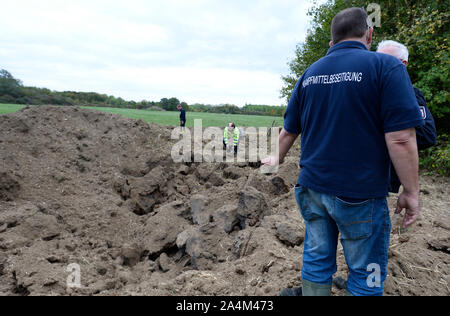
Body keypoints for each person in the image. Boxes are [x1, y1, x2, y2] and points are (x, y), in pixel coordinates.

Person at [263, 7, 424, 296]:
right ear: (369, 33)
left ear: (331, 41)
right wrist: (411, 192)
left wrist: (274, 160)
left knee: (316, 257)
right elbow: (400, 138)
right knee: (368, 270)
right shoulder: (387, 68)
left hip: (311, 188)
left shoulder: (309, 74)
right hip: (359, 193)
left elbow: (288, 131)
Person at [376, 40, 437, 193]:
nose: (378, 67)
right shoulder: (364, 89)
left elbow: (427, 134)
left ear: (403, 64)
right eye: (377, 61)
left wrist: (390, 131)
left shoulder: (409, 94)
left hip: (384, 179)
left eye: (386, 62)